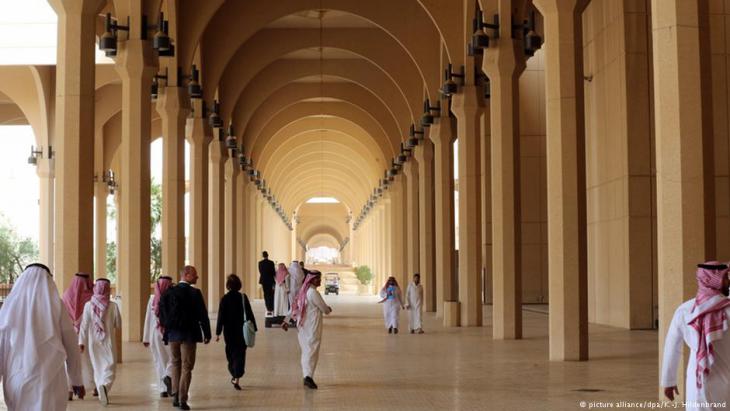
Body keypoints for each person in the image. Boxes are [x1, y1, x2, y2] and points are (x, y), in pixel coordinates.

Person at [0, 263, 86, 410]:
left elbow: (1, 346)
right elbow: (71, 344)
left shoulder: (10, 306)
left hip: (16, 379)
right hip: (50, 379)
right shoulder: (56, 305)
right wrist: (76, 379)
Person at [661, 262, 730, 410]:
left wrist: (668, 381)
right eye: (725, 278)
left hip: (696, 379)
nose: (728, 281)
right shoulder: (727, 310)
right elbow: (672, 347)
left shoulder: (685, 311)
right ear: (714, 281)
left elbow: (672, 348)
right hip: (725, 378)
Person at [159, 265, 211, 411]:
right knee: (187, 367)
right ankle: (182, 399)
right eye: (195, 274)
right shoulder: (195, 293)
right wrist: (207, 334)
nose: (197, 277)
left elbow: (162, 312)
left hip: (173, 334)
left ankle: (175, 395)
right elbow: (203, 315)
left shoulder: (169, 292)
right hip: (189, 335)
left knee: (176, 364)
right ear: (186, 275)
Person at [282, 271, 332, 389]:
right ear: (311, 280)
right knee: (311, 351)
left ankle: (307, 375)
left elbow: (294, 306)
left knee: (306, 351)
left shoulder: (303, 291)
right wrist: (328, 309)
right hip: (312, 327)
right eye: (318, 279)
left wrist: (286, 320)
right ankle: (308, 377)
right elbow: (325, 309)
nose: (320, 281)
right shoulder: (313, 293)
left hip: (302, 327)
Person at [78, 278, 121, 406]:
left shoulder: (88, 305)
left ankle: (100, 388)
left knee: (97, 367)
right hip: (108, 341)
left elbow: (84, 326)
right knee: (110, 366)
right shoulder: (113, 305)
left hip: (93, 342)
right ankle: (104, 387)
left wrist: (81, 342)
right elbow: (118, 324)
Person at [215, 274, 257, 390]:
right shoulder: (243, 297)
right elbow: (249, 313)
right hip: (242, 331)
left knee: (230, 353)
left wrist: (218, 332)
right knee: (240, 353)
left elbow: (220, 317)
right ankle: (237, 376)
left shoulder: (224, 299)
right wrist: (254, 328)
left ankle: (234, 373)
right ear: (239, 285)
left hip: (229, 332)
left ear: (228, 286)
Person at [61, 272, 95, 399]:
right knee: (88, 361)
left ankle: (70, 390)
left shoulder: (66, 296)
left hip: (69, 333)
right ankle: (90, 387)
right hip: (86, 335)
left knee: (70, 361)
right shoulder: (92, 297)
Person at [143, 275, 174, 397]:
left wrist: (146, 337)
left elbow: (148, 318)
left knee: (162, 360)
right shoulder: (155, 299)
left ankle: (164, 385)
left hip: (156, 335)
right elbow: (148, 318)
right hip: (167, 334)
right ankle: (165, 383)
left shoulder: (153, 299)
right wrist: (146, 337)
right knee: (169, 359)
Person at [258, 251, 276, 315]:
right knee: (270, 294)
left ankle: (268, 308)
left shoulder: (260, 263)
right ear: (268, 255)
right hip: (270, 280)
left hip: (264, 281)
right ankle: (271, 307)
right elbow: (273, 272)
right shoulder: (271, 263)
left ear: (263, 256)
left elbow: (260, 272)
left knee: (265, 294)